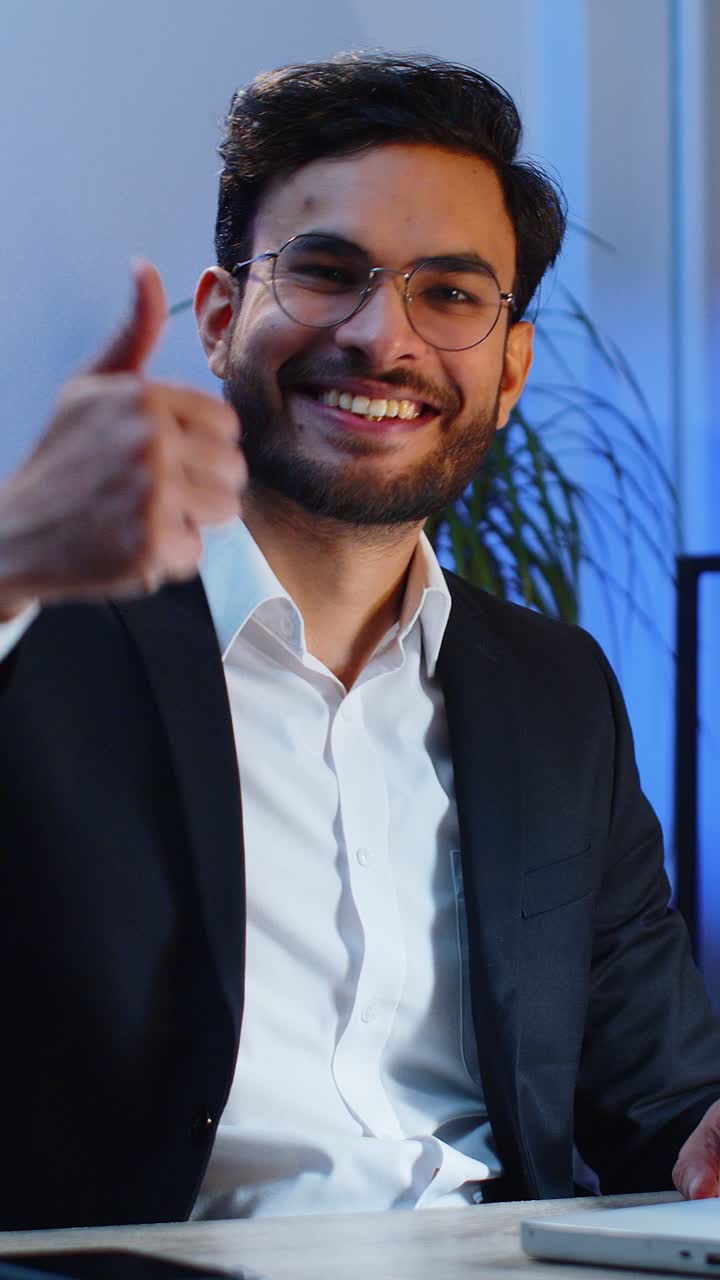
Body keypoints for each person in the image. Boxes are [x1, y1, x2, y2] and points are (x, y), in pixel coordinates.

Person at [0, 53, 719, 1231]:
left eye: (450, 293)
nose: (383, 336)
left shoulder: (556, 690)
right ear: (223, 317)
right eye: (328, 271)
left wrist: (704, 1142)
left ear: (510, 369)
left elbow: (660, 1098)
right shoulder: (38, 630)